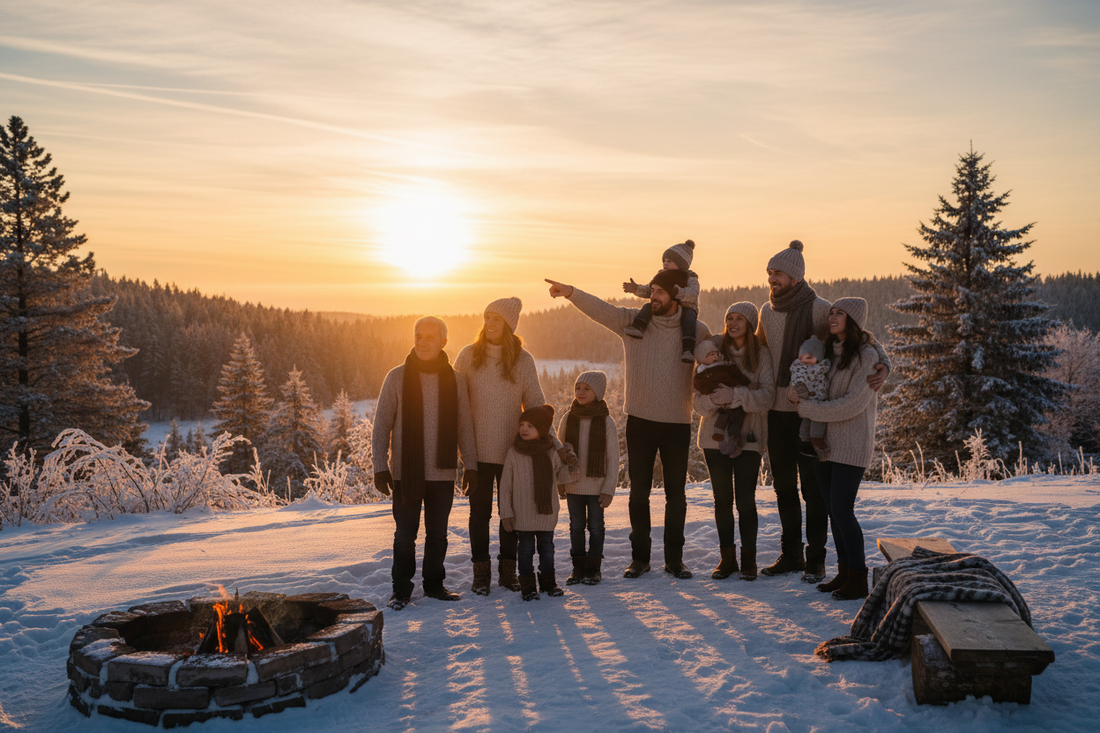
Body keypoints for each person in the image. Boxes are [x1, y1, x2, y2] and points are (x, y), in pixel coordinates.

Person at [547, 269, 711, 579]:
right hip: (640, 421)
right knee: (639, 494)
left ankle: (674, 560)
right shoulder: (635, 322)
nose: (653, 296)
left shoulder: (696, 330)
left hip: (678, 421)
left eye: (660, 292)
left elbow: (717, 355)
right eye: (652, 291)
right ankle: (640, 559)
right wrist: (571, 292)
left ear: (676, 294)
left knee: (676, 495)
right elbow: (601, 310)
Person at [756, 240, 890, 583]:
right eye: (770, 272)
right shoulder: (766, 312)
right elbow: (757, 352)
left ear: (796, 276)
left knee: (813, 491)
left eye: (779, 273)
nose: (773, 278)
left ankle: (816, 559)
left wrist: (885, 364)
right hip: (777, 409)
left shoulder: (819, 308)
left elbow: (861, 336)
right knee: (783, 487)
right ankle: (791, 555)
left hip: (812, 413)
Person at [372, 316, 478, 610]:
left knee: (438, 535)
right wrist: (380, 466)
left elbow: (463, 427)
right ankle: (401, 591)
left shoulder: (456, 380)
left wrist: (471, 465)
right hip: (407, 473)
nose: (422, 341)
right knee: (404, 536)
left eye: (430, 337)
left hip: (443, 473)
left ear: (444, 342)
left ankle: (434, 586)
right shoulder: (397, 377)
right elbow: (382, 426)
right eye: (418, 335)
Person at [454, 297, 556, 596]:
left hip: (514, 454)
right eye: (486, 317)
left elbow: (537, 407)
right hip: (476, 453)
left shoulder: (523, 361)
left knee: (510, 515)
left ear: (509, 325)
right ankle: (481, 574)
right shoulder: (468, 356)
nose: (489, 323)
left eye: (496, 319)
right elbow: (455, 402)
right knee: (479, 515)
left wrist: (557, 446)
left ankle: (508, 572)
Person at [787, 298, 881, 600]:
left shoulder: (866, 355)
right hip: (825, 442)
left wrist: (808, 410)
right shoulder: (831, 352)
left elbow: (853, 404)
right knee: (832, 511)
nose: (832, 316)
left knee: (843, 510)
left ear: (854, 320)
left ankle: (859, 577)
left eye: (840, 313)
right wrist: (795, 394)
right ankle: (844, 572)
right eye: (831, 312)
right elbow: (809, 380)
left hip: (852, 442)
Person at [692, 303, 775, 580]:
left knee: (745, 501)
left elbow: (767, 396)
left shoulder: (761, 355)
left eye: (740, 318)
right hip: (713, 438)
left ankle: (748, 561)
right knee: (722, 500)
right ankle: (727, 559)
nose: (733, 322)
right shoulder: (714, 353)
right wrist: (716, 399)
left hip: (749, 437)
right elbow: (698, 401)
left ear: (750, 324)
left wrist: (736, 395)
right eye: (729, 317)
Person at [499, 404, 577, 601]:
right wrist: (506, 513)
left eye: (530, 426)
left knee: (547, 549)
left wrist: (573, 467)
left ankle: (549, 583)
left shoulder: (551, 451)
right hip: (523, 514)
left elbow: (561, 476)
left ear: (542, 430)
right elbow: (505, 486)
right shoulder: (514, 453)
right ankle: (528, 586)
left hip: (546, 513)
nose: (524, 429)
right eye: (522, 424)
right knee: (525, 550)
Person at [557, 370, 619, 585]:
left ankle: (593, 569)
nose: (580, 392)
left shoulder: (606, 422)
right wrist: (560, 481)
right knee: (575, 527)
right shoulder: (568, 418)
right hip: (573, 485)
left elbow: (613, 458)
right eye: (578, 388)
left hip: (597, 487)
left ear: (598, 392)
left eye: (586, 388)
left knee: (596, 527)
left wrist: (609, 487)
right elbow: (559, 453)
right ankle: (578, 568)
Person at [622, 239, 700, 363]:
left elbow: (693, 293)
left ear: (681, 264)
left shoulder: (690, 277)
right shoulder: (662, 275)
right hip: (665, 306)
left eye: (669, 261)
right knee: (649, 306)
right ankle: (639, 326)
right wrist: (636, 289)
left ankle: (688, 349)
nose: (665, 263)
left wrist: (678, 292)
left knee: (688, 319)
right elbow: (650, 290)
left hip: (686, 306)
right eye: (664, 260)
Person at [693, 339, 751, 457]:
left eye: (716, 354)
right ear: (703, 359)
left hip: (734, 393)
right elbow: (699, 386)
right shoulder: (703, 372)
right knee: (725, 415)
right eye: (710, 355)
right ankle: (720, 432)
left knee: (736, 416)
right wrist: (713, 394)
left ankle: (734, 440)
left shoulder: (725, 365)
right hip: (717, 397)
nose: (714, 356)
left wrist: (744, 387)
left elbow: (737, 374)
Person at [789, 336, 831, 458]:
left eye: (809, 357)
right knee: (804, 427)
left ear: (818, 358)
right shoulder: (797, 368)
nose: (805, 360)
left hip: (819, 403)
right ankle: (805, 444)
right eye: (802, 357)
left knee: (817, 426)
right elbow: (794, 383)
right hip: (805, 404)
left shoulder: (822, 368)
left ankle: (817, 444)